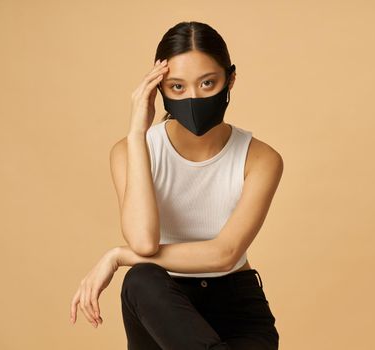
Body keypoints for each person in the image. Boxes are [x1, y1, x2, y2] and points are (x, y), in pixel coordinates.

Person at [69, 21, 284, 350]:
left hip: (236, 313)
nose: (194, 97)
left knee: (136, 270)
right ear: (159, 90)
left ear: (231, 80)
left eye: (207, 83)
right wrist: (137, 135)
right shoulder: (129, 152)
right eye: (178, 87)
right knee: (141, 279)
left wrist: (116, 256)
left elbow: (225, 255)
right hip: (162, 308)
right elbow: (143, 242)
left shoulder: (261, 159)